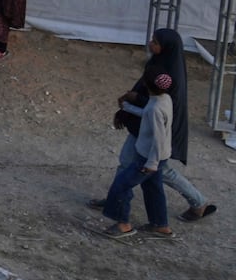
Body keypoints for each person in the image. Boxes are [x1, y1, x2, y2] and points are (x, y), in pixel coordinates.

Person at [90, 28, 216, 223]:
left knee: (157, 169)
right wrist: (127, 107)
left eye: (155, 42)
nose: (150, 43)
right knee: (127, 162)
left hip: (155, 130)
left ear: (166, 47)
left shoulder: (169, 74)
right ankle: (115, 200)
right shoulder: (159, 63)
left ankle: (198, 203)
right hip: (143, 124)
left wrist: (134, 99)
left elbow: (159, 104)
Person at [100, 72, 175, 239]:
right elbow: (148, 114)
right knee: (153, 189)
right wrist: (127, 108)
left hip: (147, 158)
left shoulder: (155, 107)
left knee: (121, 185)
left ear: (148, 86)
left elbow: (158, 138)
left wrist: (151, 163)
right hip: (161, 156)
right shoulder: (164, 100)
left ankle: (123, 224)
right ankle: (160, 224)